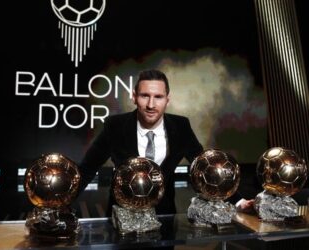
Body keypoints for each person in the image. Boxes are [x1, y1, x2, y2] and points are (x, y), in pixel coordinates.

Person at [77, 69, 251, 216]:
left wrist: (239, 201)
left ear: (167, 99)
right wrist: (59, 202)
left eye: (158, 97)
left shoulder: (181, 126)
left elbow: (206, 169)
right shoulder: (115, 126)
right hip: (122, 217)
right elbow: (87, 169)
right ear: (134, 97)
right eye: (145, 96)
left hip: (164, 220)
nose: (151, 104)